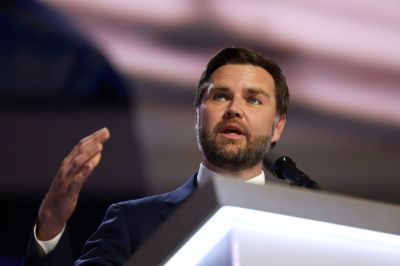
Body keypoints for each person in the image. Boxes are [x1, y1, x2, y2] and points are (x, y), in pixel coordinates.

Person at [24, 47, 288, 265]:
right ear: (198, 116)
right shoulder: (132, 222)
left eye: (253, 100)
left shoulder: (304, 227)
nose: (234, 109)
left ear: (278, 126)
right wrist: (52, 222)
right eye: (220, 96)